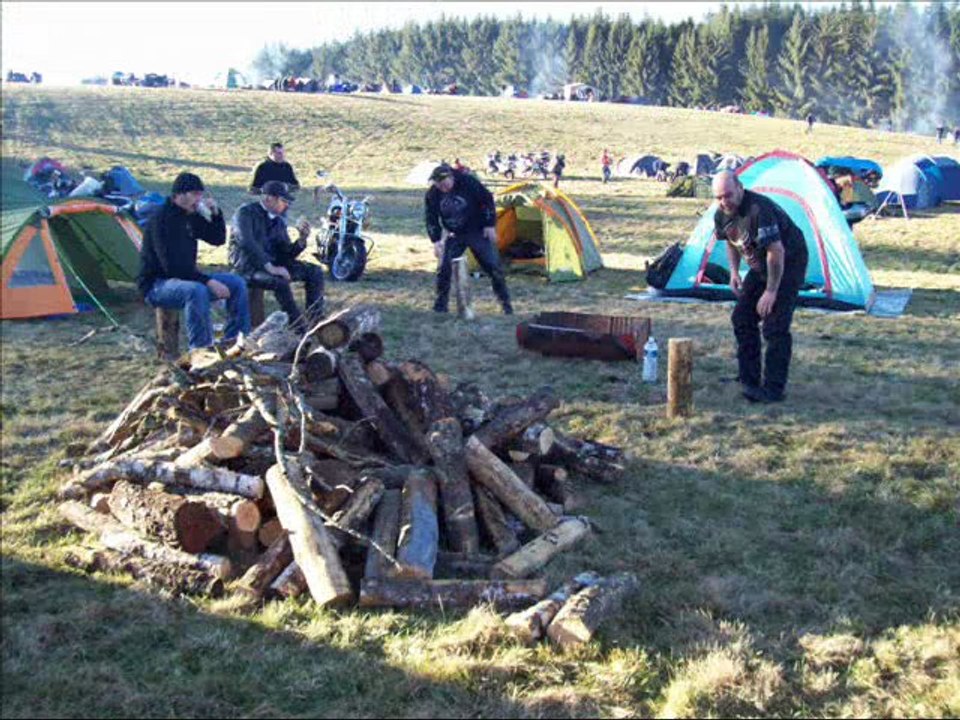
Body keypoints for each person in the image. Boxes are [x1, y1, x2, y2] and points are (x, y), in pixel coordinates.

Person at [712, 171, 809, 403]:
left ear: (740, 189)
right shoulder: (721, 214)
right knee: (742, 318)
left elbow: (776, 252)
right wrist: (735, 272)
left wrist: (771, 291)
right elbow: (731, 241)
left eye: (728, 195)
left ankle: (774, 389)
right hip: (760, 266)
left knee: (774, 325)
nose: (724, 201)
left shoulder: (758, 210)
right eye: (718, 197)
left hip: (788, 262)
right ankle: (748, 379)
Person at [138, 172, 250, 351]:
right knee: (196, 291)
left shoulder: (190, 215)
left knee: (236, 283)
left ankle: (236, 342)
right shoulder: (161, 219)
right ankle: (201, 350)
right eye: (195, 194)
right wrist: (208, 281)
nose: (199, 200)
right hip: (157, 284)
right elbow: (171, 267)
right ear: (179, 195)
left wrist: (215, 214)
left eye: (200, 195)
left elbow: (217, 239)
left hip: (186, 277)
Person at [229, 180, 324, 330]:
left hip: (272, 265)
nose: (286, 205)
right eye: (283, 201)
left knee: (315, 271)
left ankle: (317, 321)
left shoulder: (278, 221)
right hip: (248, 267)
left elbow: (285, 253)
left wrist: (301, 240)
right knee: (279, 281)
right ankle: (298, 325)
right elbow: (246, 242)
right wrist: (270, 266)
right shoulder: (245, 213)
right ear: (268, 198)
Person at [425, 164, 512, 315]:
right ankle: (440, 305)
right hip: (454, 234)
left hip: (477, 231)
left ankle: (505, 304)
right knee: (444, 269)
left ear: (451, 177)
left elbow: (487, 200)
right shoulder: (433, 194)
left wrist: (489, 224)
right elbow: (430, 217)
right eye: (439, 186)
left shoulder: (468, 183)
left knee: (494, 267)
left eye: (445, 185)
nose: (442, 188)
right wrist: (436, 240)